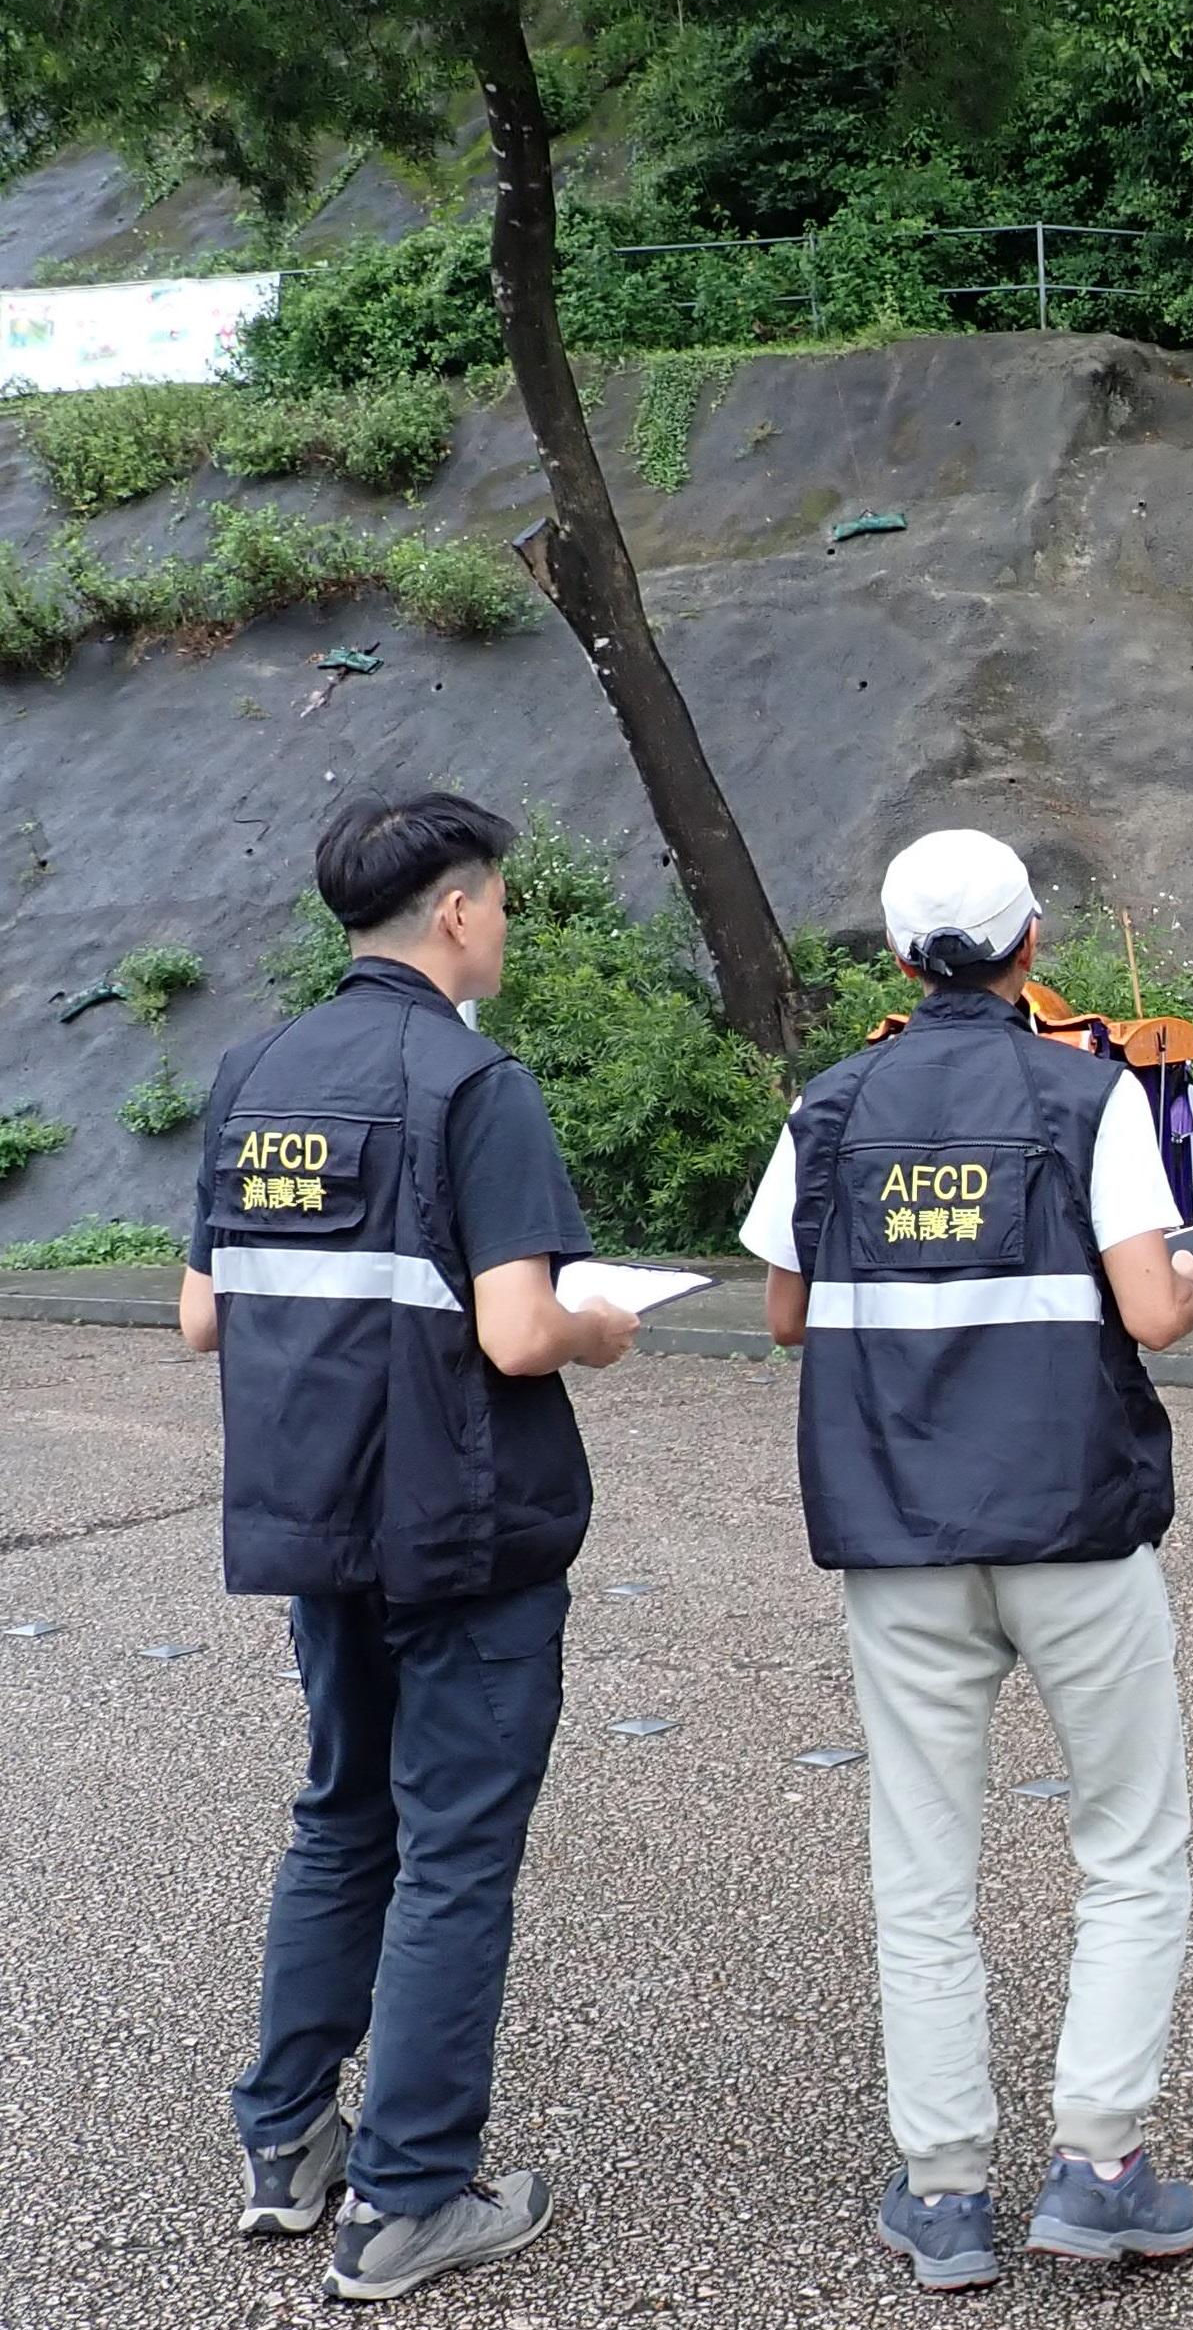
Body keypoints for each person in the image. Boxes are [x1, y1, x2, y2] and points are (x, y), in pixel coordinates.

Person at [737, 829, 1193, 2290]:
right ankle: (1099, 2166)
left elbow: (782, 1312)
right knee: (1129, 1845)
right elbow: (1146, 1309)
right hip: (1075, 1519)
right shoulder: (1091, 1093)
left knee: (923, 1865)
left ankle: (946, 2187)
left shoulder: (829, 1107)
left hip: (898, 1534)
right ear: (1032, 947)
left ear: (898, 960)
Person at [181, 792, 640, 2304]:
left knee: (339, 1813)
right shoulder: (471, 1082)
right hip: (463, 1527)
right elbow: (517, 1331)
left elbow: (203, 1313)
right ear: (457, 910)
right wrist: (604, 1323)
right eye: (497, 902)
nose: (501, 924)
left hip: (318, 1522)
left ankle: (284, 2143)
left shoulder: (253, 1070)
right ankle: (410, 2197)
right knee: (452, 1855)